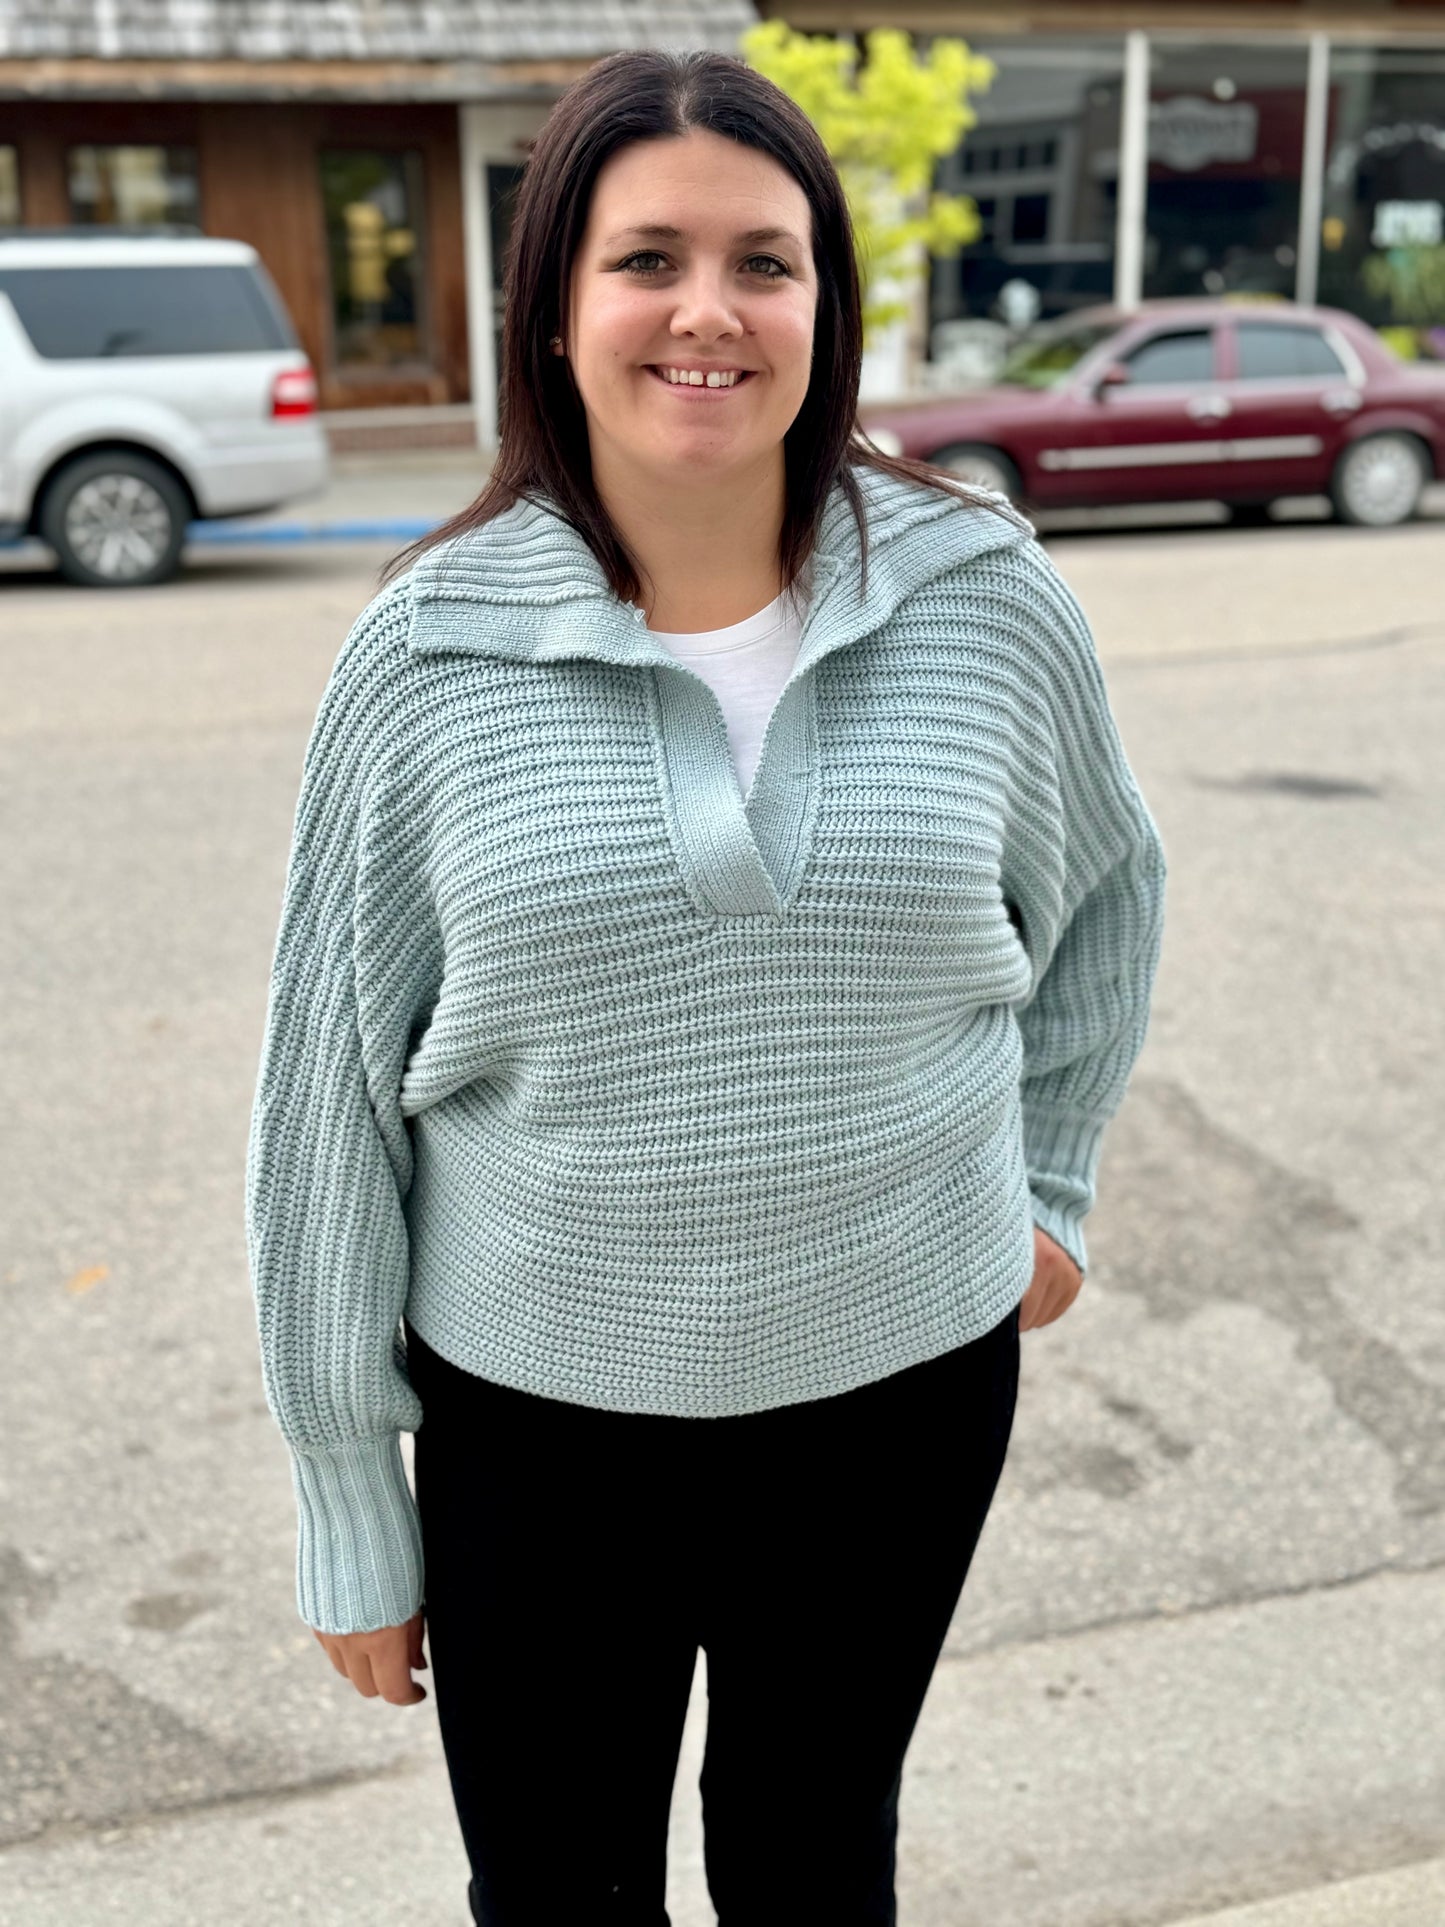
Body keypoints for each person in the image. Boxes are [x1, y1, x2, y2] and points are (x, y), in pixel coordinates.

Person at [243, 46, 1167, 1927]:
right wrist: (352, 1483)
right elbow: (324, 1104)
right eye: (645, 257)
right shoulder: (425, 661)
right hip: (538, 1430)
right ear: (557, 309)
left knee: (817, 1862)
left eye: (765, 261)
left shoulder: (983, 595)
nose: (706, 312)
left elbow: (1105, 905)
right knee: (560, 1892)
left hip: (899, 1396)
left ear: (822, 303)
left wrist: (1047, 1190)